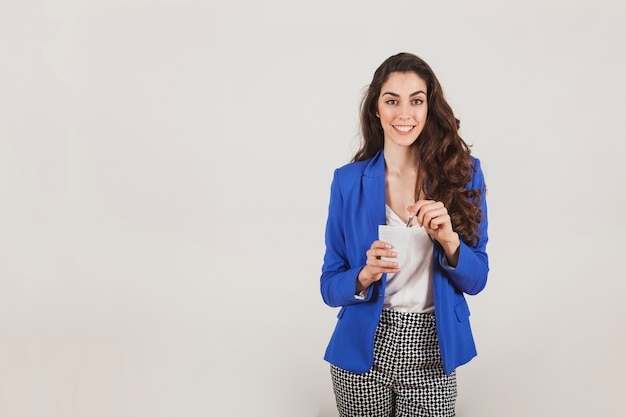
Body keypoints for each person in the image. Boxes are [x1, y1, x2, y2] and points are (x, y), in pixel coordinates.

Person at [320, 52, 489, 417]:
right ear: (376, 110)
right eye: (391, 101)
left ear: (429, 108)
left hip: (433, 349)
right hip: (363, 353)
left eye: (416, 100)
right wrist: (364, 275)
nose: (404, 113)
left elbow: (478, 280)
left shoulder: (463, 174)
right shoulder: (348, 182)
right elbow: (328, 285)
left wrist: (449, 241)